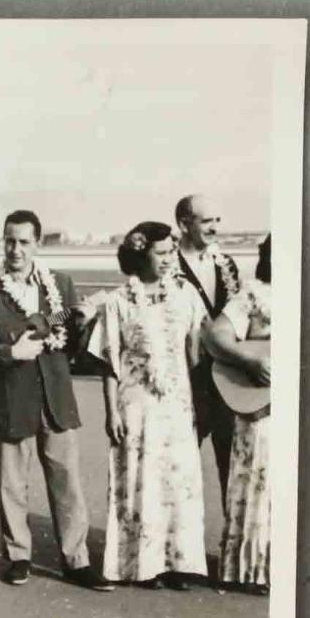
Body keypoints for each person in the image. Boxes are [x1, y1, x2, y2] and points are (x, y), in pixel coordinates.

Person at [0, 209, 112, 591]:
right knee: (13, 484)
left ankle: (76, 560)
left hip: (56, 400)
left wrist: (82, 322)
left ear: (38, 243)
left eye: (24, 242)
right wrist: (10, 355)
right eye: (9, 240)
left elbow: (74, 348)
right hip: (11, 401)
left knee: (68, 481)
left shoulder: (60, 284)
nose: (15, 249)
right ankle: (18, 556)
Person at [87, 222, 210, 589]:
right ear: (141, 255)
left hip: (177, 400)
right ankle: (141, 566)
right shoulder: (119, 301)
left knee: (176, 480)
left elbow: (197, 351)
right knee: (140, 480)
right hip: (135, 404)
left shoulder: (186, 294)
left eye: (172, 251)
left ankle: (177, 565)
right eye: (161, 253)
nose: (169, 259)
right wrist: (112, 412)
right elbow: (110, 360)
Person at [204, 235, 272, 595]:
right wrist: (250, 359)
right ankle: (251, 569)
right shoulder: (254, 295)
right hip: (262, 409)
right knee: (261, 483)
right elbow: (217, 335)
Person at [174, 194, 240, 506]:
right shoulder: (165, 265)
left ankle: (231, 542)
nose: (215, 227)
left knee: (231, 463)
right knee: (180, 464)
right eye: (207, 221)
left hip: (226, 381)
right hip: (186, 381)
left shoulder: (226, 265)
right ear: (184, 224)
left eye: (217, 220)